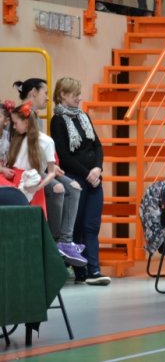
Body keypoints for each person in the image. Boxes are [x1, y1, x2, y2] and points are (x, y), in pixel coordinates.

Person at [13, 78, 83, 259]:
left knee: (74, 187)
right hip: (30, 171)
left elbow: (41, 149)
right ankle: (53, 239)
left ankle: (65, 241)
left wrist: (52, 165)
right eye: (45, 93)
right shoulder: (20, 118)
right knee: (58, 188)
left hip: (42, 167)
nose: (47, 98)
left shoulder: (36, 118)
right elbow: (23, 154)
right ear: (34, 92)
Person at [51, 77, 110, 285]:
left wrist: (97, 168)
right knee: (76, 225)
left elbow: (97, 146)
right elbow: (64, 156)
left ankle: (94, 269)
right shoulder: (58, 121)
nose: (79, 98)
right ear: (62, 95)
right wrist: (87, 174)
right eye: (75, 94)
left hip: (93, 178)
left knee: (92, 225)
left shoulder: (84, 116)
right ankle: (80, 269)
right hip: (76, 178)